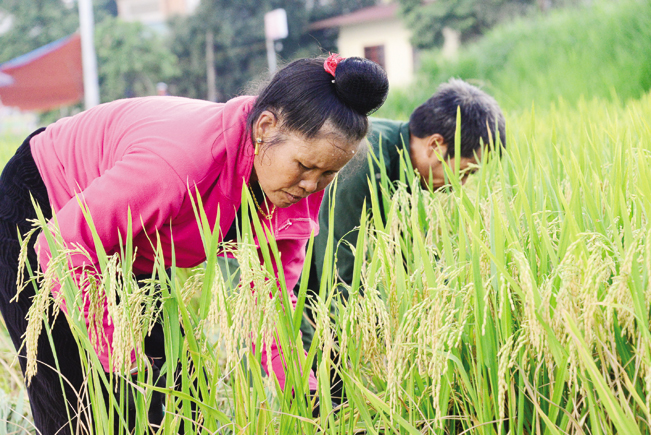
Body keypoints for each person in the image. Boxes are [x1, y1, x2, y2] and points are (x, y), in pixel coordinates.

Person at [0, 54, 388, 435]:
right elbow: (62, 246)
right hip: (47, 210)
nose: (310, 185)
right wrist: (121, 355)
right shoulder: (180, 165)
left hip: (134, 244)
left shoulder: (299, 191)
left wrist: (309, 390)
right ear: (265, 127)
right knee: (80, 406)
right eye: (303, 166)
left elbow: (268, 301)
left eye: (328, 173)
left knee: (182, 396)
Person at [299, 78, 506, 358]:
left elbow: (412, 261)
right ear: (435, 145)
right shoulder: (366, 157)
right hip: (287, 295)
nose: (463, 184)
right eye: (466, 171)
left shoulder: (407, 175)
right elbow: (339, 274)